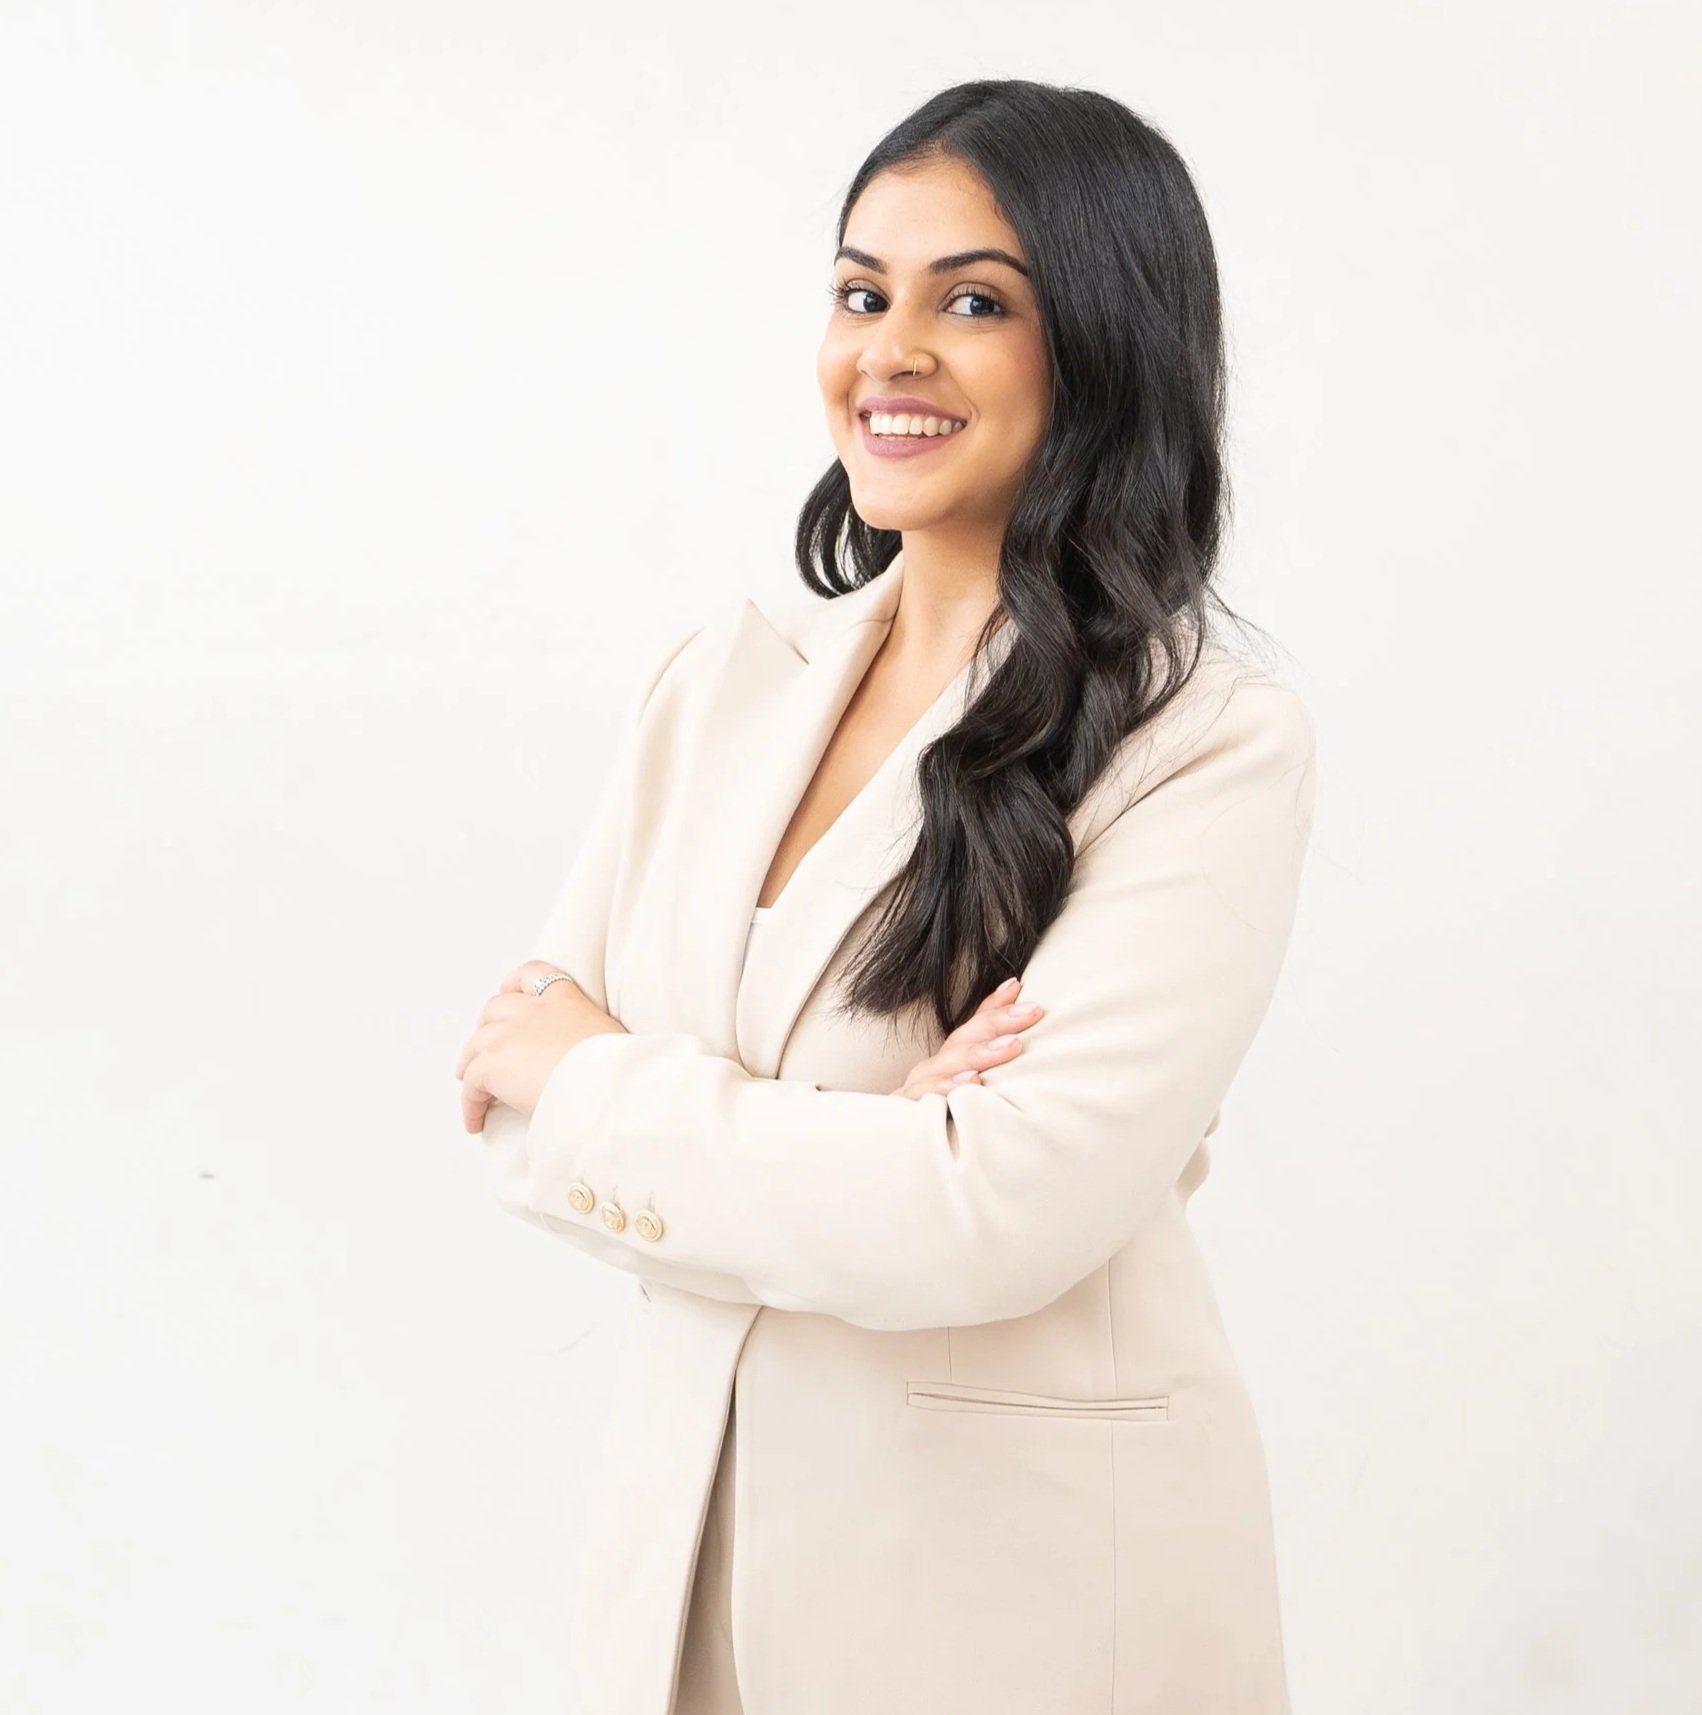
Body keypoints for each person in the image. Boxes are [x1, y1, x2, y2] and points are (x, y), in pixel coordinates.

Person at [456, 77, 1318, 1715]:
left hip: (1010, 1604)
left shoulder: (1201, 741)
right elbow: (508, 1107)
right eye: (862, 294)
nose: (890, 351)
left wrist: (615, 1090)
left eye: (972, 303)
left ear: (1105, 344)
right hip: (684, 1563)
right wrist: (862, 1145)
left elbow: (989, 1217)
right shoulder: (720, 681)